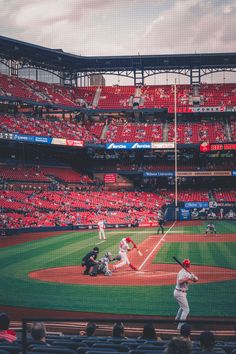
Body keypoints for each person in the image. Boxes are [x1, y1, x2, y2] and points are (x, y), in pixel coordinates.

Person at [173, 259, 198, 329]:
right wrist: (187, 278)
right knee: (186, 309)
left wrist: (193, 277)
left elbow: (196, 280)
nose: (189, 265)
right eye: (188, 264)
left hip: (181, 293)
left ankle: (177, 320)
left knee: (182, 307)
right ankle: (180, 327)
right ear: (187, 265)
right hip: (179, 293)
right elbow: (180, 281)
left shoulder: (188, 272)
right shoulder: (182, 272)